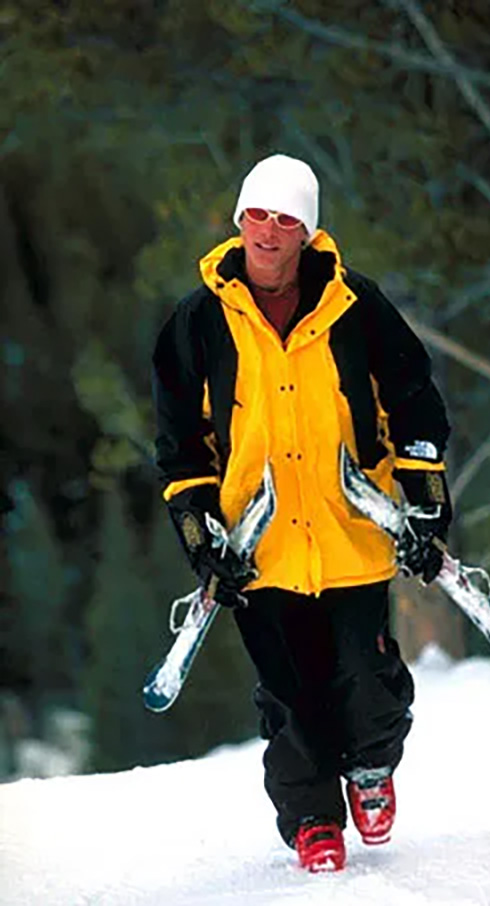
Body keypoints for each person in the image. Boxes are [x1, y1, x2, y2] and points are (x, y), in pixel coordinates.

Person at [152, 153, 452, 872]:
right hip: (260, 548)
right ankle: (313, 817)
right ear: (239, 222)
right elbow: (179, 447)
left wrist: (426, 510)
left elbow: (413, 402)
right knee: (290, 695)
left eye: (286, 218)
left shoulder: (357, 306)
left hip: (352, 531)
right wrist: (203, 539)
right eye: (257, 214)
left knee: (365, 673)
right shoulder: (196, 323)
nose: (268, 229)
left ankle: (372, 768)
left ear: (307, 232)